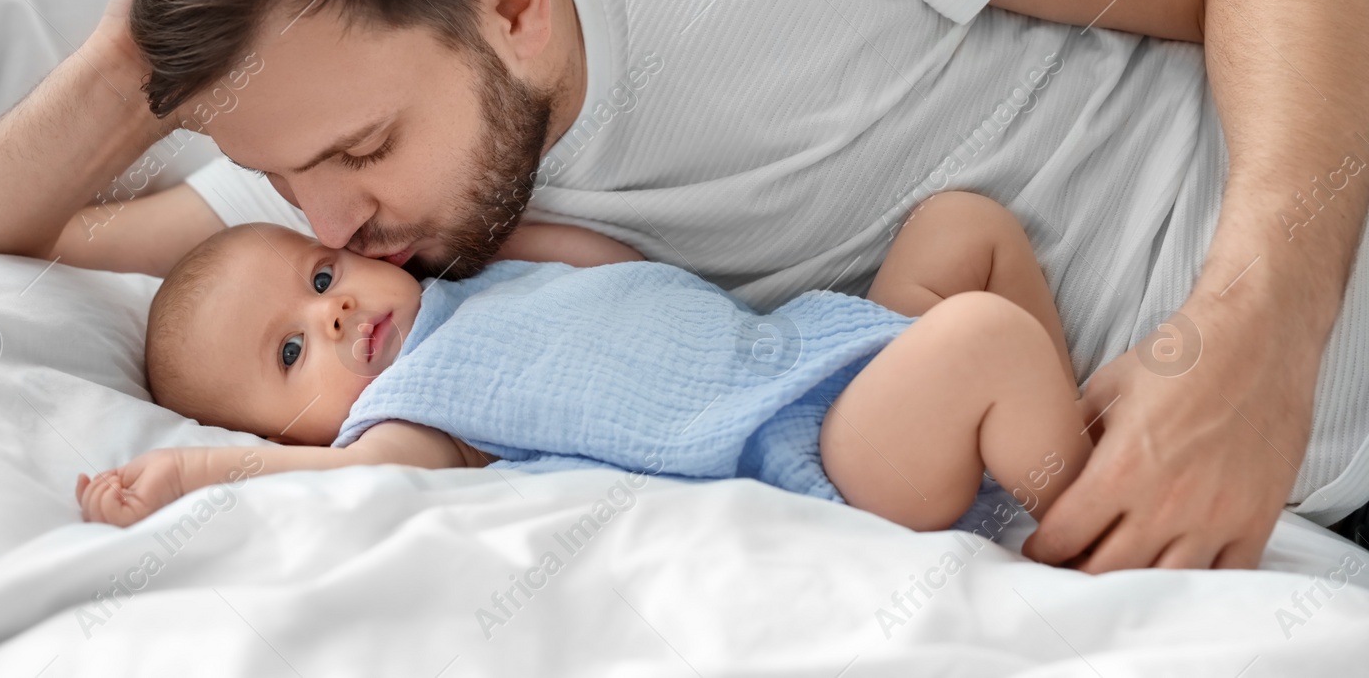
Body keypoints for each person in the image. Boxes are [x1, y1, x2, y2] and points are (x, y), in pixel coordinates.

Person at [0, 0, 1369, 571]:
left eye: (365, 148)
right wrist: (148, 55)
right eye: (291, 179)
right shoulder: (328, 203)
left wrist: (1257, 333)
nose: (340, 225)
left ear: (510, 3)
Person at [77, 192, 1093, 543]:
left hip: (812, 345)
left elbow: (619, 271)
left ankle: (1051, 427)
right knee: (982, 338)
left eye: (319, 270)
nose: (333, 308)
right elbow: (354, 482)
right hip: (821, 456)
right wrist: (194, 471)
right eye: (291, 349)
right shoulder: (405, 414)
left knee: (964, 227)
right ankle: (1087, 502)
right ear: (280, 428)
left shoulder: (483, 284)